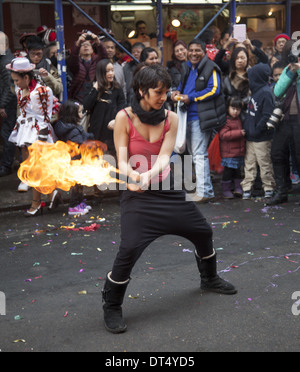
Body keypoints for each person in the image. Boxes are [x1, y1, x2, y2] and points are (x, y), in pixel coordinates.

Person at [101, 64, 237, 334]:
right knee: (129, 249)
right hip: (137, 197)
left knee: (202, 231)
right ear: (141, 90)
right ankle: (112, 306)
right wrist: (133, 178)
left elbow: (164, 156)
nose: (164, 97)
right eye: (158, 92)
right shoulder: (123, 118)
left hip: (167, 190)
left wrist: (149, 174)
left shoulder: (171, 118)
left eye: (166, 92)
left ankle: (208, 278)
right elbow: (122, 161)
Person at [171, 38, 226, 202]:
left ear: (204, 52)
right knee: (194, 154)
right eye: (191, 50)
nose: (194, 53)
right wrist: (176, 93)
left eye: (197, 50)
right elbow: (182, 86)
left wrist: (192, 98)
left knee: (199, 155)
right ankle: (203, 190)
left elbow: (215, 90)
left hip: (200, 117)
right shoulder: (187, 67)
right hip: (186, 115)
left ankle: (205, 192)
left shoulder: (211, 67)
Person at [6, 57, 58, 214]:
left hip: (38, 133)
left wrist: (41, 140)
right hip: (24, 131)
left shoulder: (42, 92)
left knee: (36, 168)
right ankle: (52, 194)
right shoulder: (20, 90)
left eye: (17, 80)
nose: (15, 83)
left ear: (26, 77)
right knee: (34, 167)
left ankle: (37, 202)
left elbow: (45, 118)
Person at [267, 41, 300, 205]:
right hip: (284, 119)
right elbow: (277, 91)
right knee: (277, 153)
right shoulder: (288, 69)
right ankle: (281, 191)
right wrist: (292, 72)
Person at [53, 100, 95, 216]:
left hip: (72, 160)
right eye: (80, 112)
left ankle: (79, 202)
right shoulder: (73, 130)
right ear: (73, 114)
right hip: (76, 161)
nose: (82, 114)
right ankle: (73, 206)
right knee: (77, 184)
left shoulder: (66, 127)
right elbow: (79, 144)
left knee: (80, 184)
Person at [241, 63, 276, 200]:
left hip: (262, 137)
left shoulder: (266, 93)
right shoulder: (255, 92)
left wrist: (257, 129)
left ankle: (268, 187)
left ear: (257, 78)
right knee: (249, 163)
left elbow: (267, 115)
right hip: (251, 136)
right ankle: (247, 187)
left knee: (264, 163)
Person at [83, 59, 125, 155]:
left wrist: (116, 120)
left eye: (112, 70)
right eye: (107, 71)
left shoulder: (117, 88)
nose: (111, 73)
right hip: (96, 129)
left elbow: (122, 106)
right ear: (101, 73)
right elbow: (86, 106)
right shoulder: (92, 87)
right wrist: (95, 89)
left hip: (112, 128)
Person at [67, 31, 108, 103]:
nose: (86, 46)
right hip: (78, 99)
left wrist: (98, 42)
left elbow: (104, 58)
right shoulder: (76, 62)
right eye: (82, 45)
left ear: (92, 49)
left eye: (88, 45)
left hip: (95, 98)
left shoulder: (96, 61)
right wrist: (78, 43)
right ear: (79, 49)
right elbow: (73, 58)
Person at [219, 97, 246, 198]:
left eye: (238, 109)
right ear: (228, 108)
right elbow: (223, 135)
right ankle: (226, 189)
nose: (235, 111)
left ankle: (238, 188)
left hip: (238, 152)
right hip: (228, 153)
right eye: (233, 108)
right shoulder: (226, 120)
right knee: (228, 172)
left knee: (238, 171)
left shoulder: (240, 119)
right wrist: (239, 133)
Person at [0, 32, 17, 177]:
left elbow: (9, 86)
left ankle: (6, 166)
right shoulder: (4, 59)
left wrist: (2, 105)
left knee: (7, 134)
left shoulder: (6, 61)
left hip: (9, 105)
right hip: (8, 104)